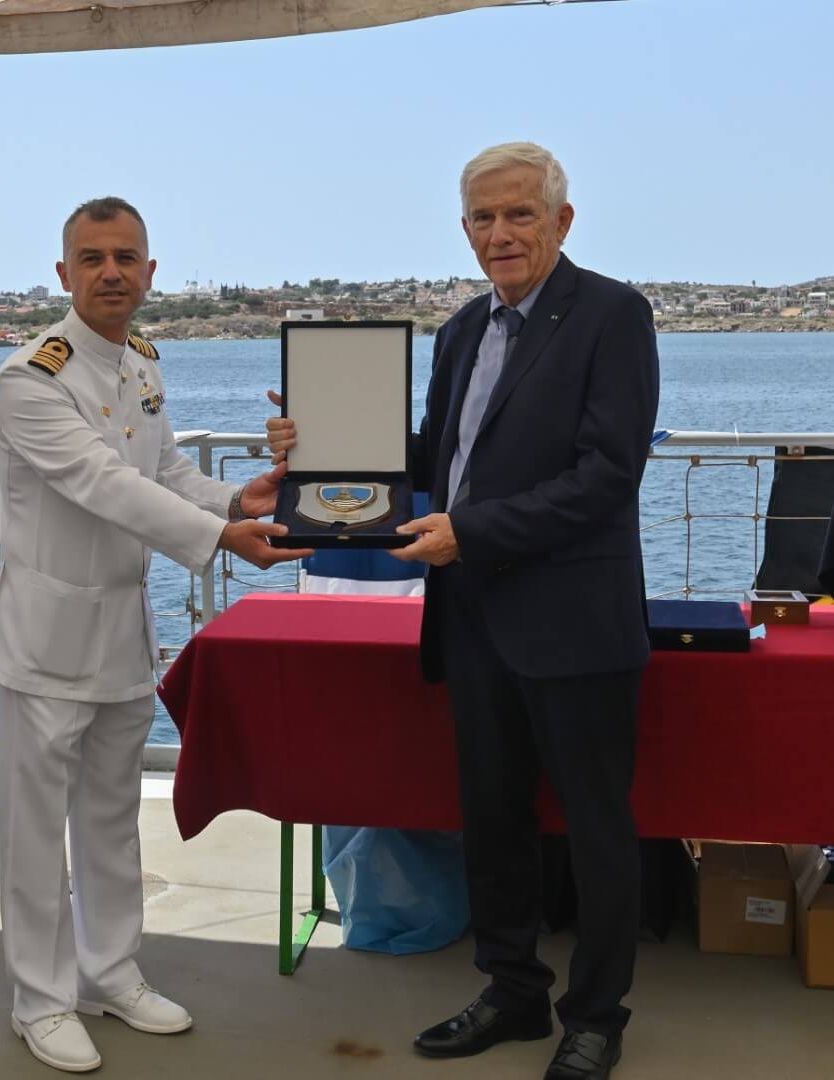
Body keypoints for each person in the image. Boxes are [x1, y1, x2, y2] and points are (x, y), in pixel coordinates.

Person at [267, 142, 659, 1080]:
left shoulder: (613, 315)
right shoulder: (458, 331)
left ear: (561, 220)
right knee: (492, 821)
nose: (499, 233)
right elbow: (434, 459)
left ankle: (595, 1017)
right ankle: (512, 992)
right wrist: (318, 440)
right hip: (473, 619)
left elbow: (606, 476)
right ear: (464, 230)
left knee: (598, 832)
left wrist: (469, 531)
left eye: (519, 214)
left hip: (574, 622)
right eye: (483, 218)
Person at [0, 196, 310, 1073]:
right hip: (48, 640)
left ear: (150, 272)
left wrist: (236, 497)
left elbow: (162, 471)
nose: (111, 273)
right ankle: (39, 999)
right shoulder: (30, 378)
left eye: (126, 257)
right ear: (63, 274)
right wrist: (220, 537)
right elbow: (102, 484)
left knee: (109, 817)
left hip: (123, 631)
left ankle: (110, 972)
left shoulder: (138, 361)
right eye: (92, 259)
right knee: (33, 834)